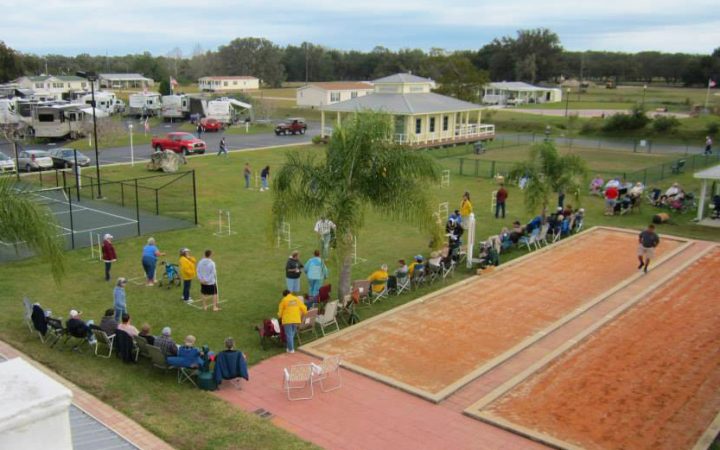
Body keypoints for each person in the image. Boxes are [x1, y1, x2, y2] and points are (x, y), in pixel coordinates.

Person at [277, 289, 307, 353]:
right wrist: (305, 313)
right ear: (290, 293)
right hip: (296, 319)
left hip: (287, 320)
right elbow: (303, 307)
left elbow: (280, 311)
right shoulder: (296, 299)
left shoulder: (284, 300)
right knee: (292, 334)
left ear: (284, 295)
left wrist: (279, 316)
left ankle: (291, 349)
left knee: (289, 334)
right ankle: (288, 347)